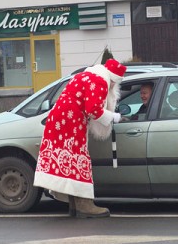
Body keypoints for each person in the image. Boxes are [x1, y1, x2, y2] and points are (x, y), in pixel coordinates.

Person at [33, 59, 127, 218]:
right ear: (114, 80)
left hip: (59, 121)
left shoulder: (85, 76)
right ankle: (84, 205)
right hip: (70, 122)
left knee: (69, 159)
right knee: (78, 158)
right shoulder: (100, 82)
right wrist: (115, 117)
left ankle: (74, 205)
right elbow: (94, 110)